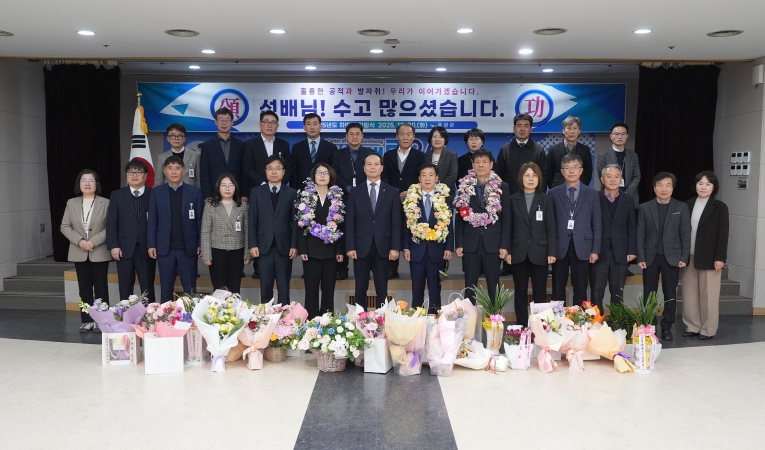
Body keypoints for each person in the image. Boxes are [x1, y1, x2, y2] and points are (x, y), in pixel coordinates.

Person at [637, 172, 691, 341]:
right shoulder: (645, 207)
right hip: (650, 257)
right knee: (649, 294)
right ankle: (650, 327)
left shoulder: (681, 207)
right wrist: (640, 257)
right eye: (660, 185)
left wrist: (684, 256)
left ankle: (667, 327)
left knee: (670, 294)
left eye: (668, 185)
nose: (664, 189)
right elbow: (640, 234)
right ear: (654, 188)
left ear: (673, 188)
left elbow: (686, 234)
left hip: (672, 257)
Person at [454, 150, 511, 304]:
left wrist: (504, 245)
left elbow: (506, 218)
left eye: (484, 162)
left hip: (493, 243)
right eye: (477, 162)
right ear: (472, 165)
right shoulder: (464, 186)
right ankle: (469, 317)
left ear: (491, 164)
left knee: (494, 285)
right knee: (469, 286)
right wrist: (459, 243)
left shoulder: (502, 186)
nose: (481, 165)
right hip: (470, 243)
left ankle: (494, 317)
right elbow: (459, 218)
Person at [346, 153, 402, 308]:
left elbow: (396, 222)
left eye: (376, 164)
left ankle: (382, 318)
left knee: (382, 289)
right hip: (360, 246)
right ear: (364, 168)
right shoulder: (355, 192)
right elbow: (349, 221)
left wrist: (395, 247)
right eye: (369, 164)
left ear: (382, 168)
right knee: (360, 288)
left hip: (383, 246)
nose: (372, 167)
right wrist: (350, 246)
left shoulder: (392, 192)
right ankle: (359, 318)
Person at [147, 156, 204, 303]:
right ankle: (165, 315)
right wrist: (151, 244)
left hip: (188, 248)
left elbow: (200, 220)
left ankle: (191, 315)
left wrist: (200, 243)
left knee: (190, 290)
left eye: (177, 168)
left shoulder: (195, 192)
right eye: (170, 168)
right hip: (165, 248)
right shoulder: (157, 192)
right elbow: (152, 220)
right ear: (164, 172)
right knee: (166, 289)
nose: (174, 172)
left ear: (183, 171)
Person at [505, 162, 556, 326]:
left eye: (534, 175)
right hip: (518, 252)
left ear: (539, 178)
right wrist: (508, 251)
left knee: (540, 293)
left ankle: (539, 327)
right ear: (521, 178)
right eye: (527, 175)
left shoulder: (546, 200)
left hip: (540, 253)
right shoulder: (512, 199)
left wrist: (552, 252)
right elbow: (508, 227)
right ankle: (521, 326)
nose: (530, 179)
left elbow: (551, 227)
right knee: (520, 292)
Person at [60, 169, 111, 332]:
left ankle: (103, 320)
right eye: (84, 180)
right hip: (79, 251)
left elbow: (111, 227)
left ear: (97, 184)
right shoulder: (71, 203)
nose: (87, 184)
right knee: (84, 288)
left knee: (101, 288)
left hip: (99, 251)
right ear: (79, 184)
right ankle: (87, 320)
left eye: (91, 180)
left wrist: (93, 241)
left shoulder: (106, 203)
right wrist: (80, 241)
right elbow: (65, 226)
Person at [681, 171, 728, 340]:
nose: (703, 187)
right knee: (689, 294)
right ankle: (692, 326)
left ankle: (708, 329)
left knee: (709, 295)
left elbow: (723, 234)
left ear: (714, 187)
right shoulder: (686, 205)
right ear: (695, 185)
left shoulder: (720, 207)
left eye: (708, 184)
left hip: (710, 257)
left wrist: (720, 257)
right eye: (700, 183)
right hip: (689, 257)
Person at [549, 153, 601, 306]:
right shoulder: (553, 193)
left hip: (583, 246)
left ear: (581, 170)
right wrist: (550, 250)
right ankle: (558, 320)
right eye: (567, 168)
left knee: (581, 290)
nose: (571, 171)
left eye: (575, 167)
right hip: (560, 247)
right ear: (562, 171)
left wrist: (595, 250)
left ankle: (579, 319)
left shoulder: (592, 194)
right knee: (558, 290)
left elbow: (597, 224)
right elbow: (550, 224)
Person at [402, 164, 453, 313]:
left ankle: (434, 317)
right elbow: (405, 226)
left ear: (437, 178)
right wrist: (406, 247)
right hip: (416, 249)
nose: (427, 178)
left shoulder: (445, 199)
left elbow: (450, 226)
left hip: (437, 250)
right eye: (424, 175)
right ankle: (417, 318)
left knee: (435, 289)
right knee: (416, 287)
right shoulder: (411, 199)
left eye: (431, 175)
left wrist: (449, 247)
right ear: (419, 178)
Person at [248, 155, 298, 303]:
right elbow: (252, 220)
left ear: (283, 172)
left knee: (284, 289)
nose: (274, 172)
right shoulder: (256, 192)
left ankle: (285, 316)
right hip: (263, 247)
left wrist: (294, 245)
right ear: (265, 171)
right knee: (265, 289)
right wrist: (252, 244)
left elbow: (295, 222)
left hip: (284, 247)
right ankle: (266, 316)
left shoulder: (291, 193)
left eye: (277, 168)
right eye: (270, 168)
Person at [297, 164, 345, 318]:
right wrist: (302, 249)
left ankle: (327, 322)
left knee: (328, 290)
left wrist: (340, 250)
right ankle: (311, 322)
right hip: (311, 251)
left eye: (326, 173)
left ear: (331, 176)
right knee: (311, 291)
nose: (322, 175)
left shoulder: (337, 197)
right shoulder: (306, 196)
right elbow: (300, 225)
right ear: (314, 176)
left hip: (331, 250)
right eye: (319, 172)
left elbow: (341, 226)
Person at [106, 160, 156, 303]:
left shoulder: (154, 194)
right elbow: (111, 222)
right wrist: (114, 245)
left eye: (138, 172)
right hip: (123, 248)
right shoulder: (117, 195)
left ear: (145, 176)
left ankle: (150, 314)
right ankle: (126, 315)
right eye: (131, 172)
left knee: (148, 288)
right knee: (125, 288)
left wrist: (154, 244)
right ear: (126, 175)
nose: (134, 175)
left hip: (146, 248)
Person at [589, 164, 636, 313]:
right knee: (596, 291)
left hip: (620, 252)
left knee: (618, 292)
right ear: (602, 179)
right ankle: (597, 322)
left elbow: (632, 227)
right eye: (609, 176)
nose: (613, 180)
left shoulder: (628, 200)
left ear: (621, 179)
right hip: (599, 251)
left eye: (616, 176)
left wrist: (632, 250)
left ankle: (617, 322)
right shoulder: (594, 198)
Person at [330, 122, 374, 280]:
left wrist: (360, 190)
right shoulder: (338, 154)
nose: (354, 137)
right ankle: (342, 268)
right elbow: (335, 174)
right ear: (346, 136)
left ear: (362, 136)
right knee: (343, 230)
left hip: (365, 198)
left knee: (363, 230)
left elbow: (373, 173)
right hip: (344, 197)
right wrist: (349, 188)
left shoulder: (369, 154)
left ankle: (365, 268)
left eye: (357, 134)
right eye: (351, 134)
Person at [382, 123, 425, 279]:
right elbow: (384, 176)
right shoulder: (388, 155)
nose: (405, 137)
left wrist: (410, 192)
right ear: (397, 136)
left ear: (413, 137)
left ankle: (417, 268)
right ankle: (391, 268)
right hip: (391, 200)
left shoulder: (420, 156)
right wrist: (394, 193)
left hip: (413, 201)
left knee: (412, 232)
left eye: (408, 134)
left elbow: (422, 177)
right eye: (402, 134)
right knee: (392, 231)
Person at [201, 173, 251, 294]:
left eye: (230, 185)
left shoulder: (242, 206)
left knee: (235, 287)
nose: (227, 188)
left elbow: (247, 230)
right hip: (217, 251)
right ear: (218, 187)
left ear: (235, 187)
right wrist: (206, 255)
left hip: (237, 251)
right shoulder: (210, 206)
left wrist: (247, 254)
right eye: (224, 185)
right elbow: (205, 231)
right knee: (219, 288)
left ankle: (235, 307)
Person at [495, 113, 549, 196]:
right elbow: (498, 175)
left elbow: (544, 176)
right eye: (519, 126)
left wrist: (539, 196)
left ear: (530, 129)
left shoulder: (539, 150)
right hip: (508, 196)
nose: (522, 129)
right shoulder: (505, 150)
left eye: (526, 126)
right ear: (514, 128)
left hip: (533, 196)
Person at [242, 110, 293, 194]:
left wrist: (279, 184)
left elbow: (289, 168)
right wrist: (263, 184)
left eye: (273, 122)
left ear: (277, 126)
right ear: (260, 124)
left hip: (280, 190)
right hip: (257, 189)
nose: (269, 125)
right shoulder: (250, 144)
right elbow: (248, 168)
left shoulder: (284, 144)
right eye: (266, 122)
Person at [200, 107, 245, 200]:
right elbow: (204, 173)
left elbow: (244, 171)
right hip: (214, 194)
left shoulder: (241, 145)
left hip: (236, 193)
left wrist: (244, 194)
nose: (224, 123)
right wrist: (207, 195)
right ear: (216, 122)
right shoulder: (207, 146)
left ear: (232, 122)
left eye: (227, 120)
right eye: (220, 120)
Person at [596, 123, 641, 209]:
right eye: (616, 134)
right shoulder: (603, 155)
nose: (619, 137)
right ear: (611, 136)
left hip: (630, 197)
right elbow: (602, 177)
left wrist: (627, 194)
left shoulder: (633, 155)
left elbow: (637, 176)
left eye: (623, 134)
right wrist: (616, 194)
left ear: (627, 136)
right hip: (609, 197)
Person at [291, 113, 338, 187]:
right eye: (308, 124)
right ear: (304, 127)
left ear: (320, 126)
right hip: (303, 188)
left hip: (324, 188)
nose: (312, 127)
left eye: (315, 124)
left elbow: (333, 172)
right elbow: (294, 172)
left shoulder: (331, 147)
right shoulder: (297, 148)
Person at [547, 116, 593, 189]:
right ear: (563, 131)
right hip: (557, 189)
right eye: (569, 128)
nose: (572, 131)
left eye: (575, 128)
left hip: (579, 190)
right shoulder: (553, 150)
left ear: (579, 131)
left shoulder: (585, 150)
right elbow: (549, 173)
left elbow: (588, 173)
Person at [424, 126, 458, 194]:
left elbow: (452, 175)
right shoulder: (425, 156)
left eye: (441, 137)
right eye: (435, 137)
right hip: (428, 193)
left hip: (447, 193)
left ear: (445, 139)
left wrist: (440, 190)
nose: (437, 139)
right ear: (430, 139)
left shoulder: (451, 155)